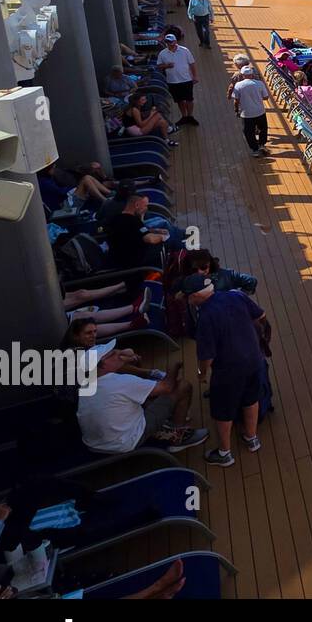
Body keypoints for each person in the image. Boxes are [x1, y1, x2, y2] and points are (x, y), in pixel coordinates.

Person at [186, 278, 267, 466]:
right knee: (251, 399)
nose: (187, 300)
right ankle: (252, 438)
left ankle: (224, 453)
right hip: (254, 361)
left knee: (223, 411)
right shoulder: (236, 296)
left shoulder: (205, 318)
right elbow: (260, 315)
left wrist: (201, 373)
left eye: (188, 297)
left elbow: (207, 357)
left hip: (228, 372)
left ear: (197, 296)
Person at [76, 353, 205, 454]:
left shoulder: (85, 386)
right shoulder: (120, 382)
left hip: (94, 444)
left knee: (145, 397)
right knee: (183, 386)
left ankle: (170, 420)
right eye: (112, 354)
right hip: (125, 441)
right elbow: (166, 387)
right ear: (103, 364)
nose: (118, 354)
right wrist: (173, 367)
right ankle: (178, 436)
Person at [104, 192, 169, 269]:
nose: (146, 209)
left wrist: (154, 231)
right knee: (169, 239)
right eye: (145, 206)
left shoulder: (117, 218)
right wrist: (163, 237)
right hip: (132, 262)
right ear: (137, 205)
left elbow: (135, 232)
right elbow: (150, 239)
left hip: (119, 257)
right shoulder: (133, 220)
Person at [156, 33, 198, 125]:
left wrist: (195, 76)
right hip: (172, 81)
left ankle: (190, 116)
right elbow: (159, 66)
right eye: (167, 42)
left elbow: (192, 64)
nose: (168, 44)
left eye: (170, 42)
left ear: (175, 41)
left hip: (186, 79)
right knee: (179, 100)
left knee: (189, 99)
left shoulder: (185, 51)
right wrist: (166, 65)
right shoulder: (162, 53)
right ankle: (184, 116)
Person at [232, 65, 271, 158]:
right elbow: (266, 97)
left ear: (242, 75)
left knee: (248, 132)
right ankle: (262, 144)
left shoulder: (238, 85)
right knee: (263, 129)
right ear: (252, 74)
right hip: (260, 112)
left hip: (246, 114)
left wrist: (236, 110)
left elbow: (236, 100)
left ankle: (255, 149)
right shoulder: (259, 84)